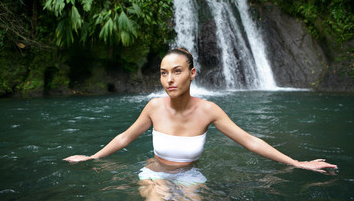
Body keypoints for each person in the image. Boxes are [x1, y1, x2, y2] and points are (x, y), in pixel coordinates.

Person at [64, 48, 338, 200]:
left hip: (189, 176)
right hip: (155, 173)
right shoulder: (154, 107)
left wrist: (297, 163)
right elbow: (125, 137)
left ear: (192, 73)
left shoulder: (209, 111)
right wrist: (93, 156)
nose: (169, 79)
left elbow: (249, 140)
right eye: (163, 73)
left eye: (177, 71)